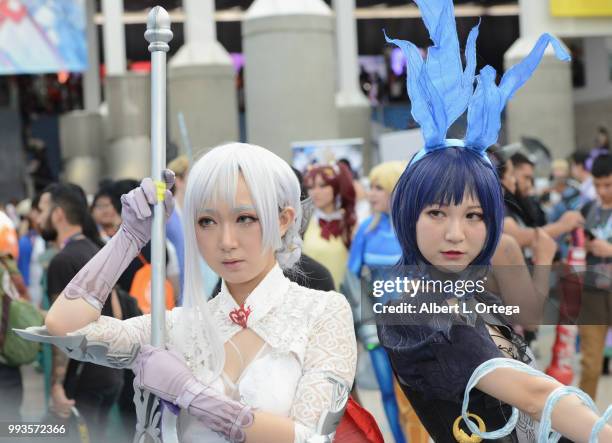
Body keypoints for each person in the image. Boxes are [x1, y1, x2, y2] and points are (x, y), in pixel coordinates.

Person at [378, 0, 612, 441]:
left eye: (474, 216)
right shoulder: (411, 308)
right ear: (408, 214)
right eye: (436, 213)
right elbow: (532, 394)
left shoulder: (473, 290)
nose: (455, 233)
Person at [41, 143, 357, 442]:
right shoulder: (178, 326)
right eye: (207, 221)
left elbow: (312, 436)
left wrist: (189, 394)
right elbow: (65, 327)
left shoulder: (322, 312)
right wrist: (130, 238)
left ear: (284, 220)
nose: (226, 240)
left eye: (245, 218)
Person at [37, 183, 123, 441]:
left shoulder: (62, 261)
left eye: (42, 209)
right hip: (110, 374)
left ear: (58, 214)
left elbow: (60, 333)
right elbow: (116, 314)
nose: (38, 217)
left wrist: (57, 385)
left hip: (82, 377)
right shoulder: (96, 249)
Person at [347, 161, 407, 443]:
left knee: (415, 394)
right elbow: (351, 279)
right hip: (378, 328)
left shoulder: (415, 230)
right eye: (370, 187)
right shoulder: (365, 232)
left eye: (379, 188)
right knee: (386, 391)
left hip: (415, 327)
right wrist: (368, 327)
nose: (371, 194)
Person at [578, 154, 612, 399]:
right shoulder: (588, 208)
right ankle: (581, 429)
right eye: (597, 184)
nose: (602, 191)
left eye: (608, 185)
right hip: (592, 291)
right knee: (590, 364)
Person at [303, 162, 356, 290]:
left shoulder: (351, 223)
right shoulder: (304, 222)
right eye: (311, 187)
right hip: (311, 296)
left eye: (322, 185)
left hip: (343, 297)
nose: (315, 192)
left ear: (336, 186)